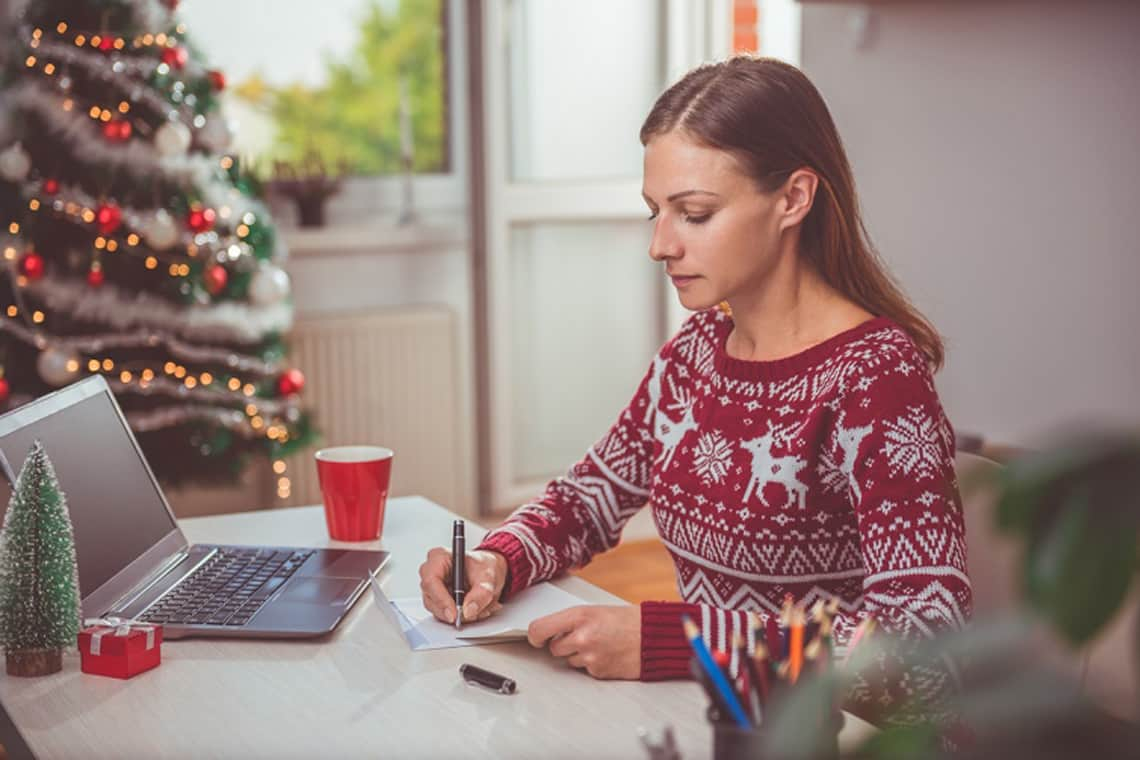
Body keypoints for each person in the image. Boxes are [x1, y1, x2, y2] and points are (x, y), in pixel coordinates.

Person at [420, 56, 971, 728]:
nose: (659, 245)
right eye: (656, 212)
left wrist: (680, 641)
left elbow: (923, 654)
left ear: (794, 199)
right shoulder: (695, 354)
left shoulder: (877, 378)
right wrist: (493, 562)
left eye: (695, 213)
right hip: (723, 718)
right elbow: (587, 499)